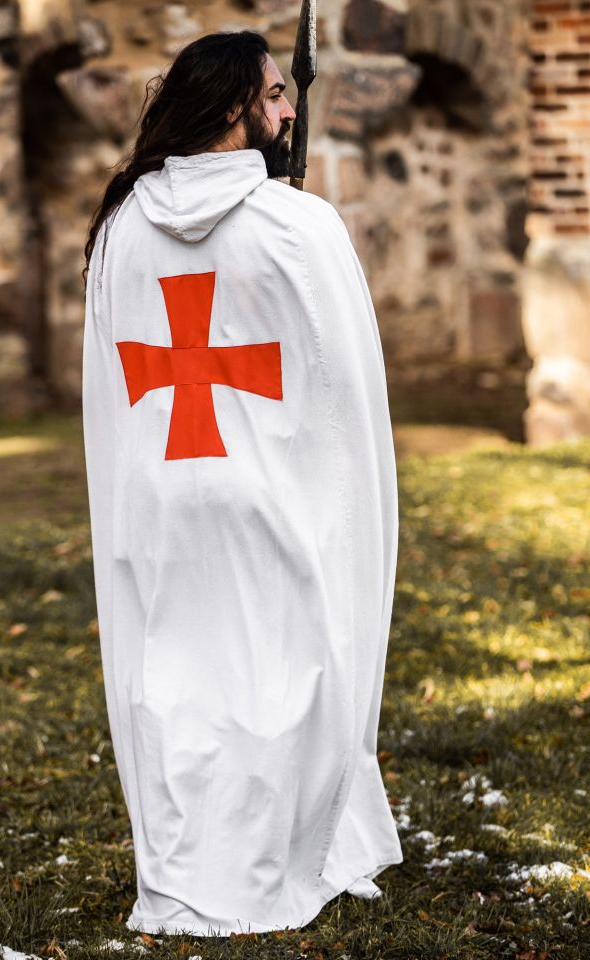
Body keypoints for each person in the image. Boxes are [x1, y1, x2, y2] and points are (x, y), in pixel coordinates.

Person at [81, 29, 402, 938]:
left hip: (161, 494)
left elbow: (111, 386)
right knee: (284, 680)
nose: (290, 107)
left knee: (175, 683)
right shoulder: (299, 226)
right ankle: (271, 868)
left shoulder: (122, 226)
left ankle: (184, 876)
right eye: (274, 93)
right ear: (232, 108)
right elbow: (342, 391)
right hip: (268, 498)